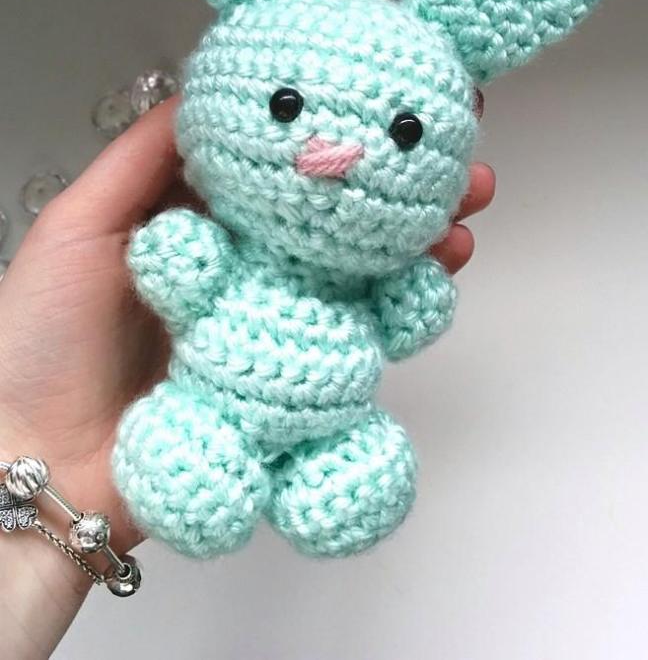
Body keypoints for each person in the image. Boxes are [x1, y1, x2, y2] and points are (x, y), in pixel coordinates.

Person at [0, 96, 495, 658]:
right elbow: (179, 272)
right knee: (188, 479)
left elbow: (405, 321)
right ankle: (193, 461)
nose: (338, 151)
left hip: (335, 429)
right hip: (208, 413)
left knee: (357, 490)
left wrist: (414, 298)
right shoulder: (225, 255)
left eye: (404, 131)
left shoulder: (372, 277)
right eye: (287, 105)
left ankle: (337, 470)